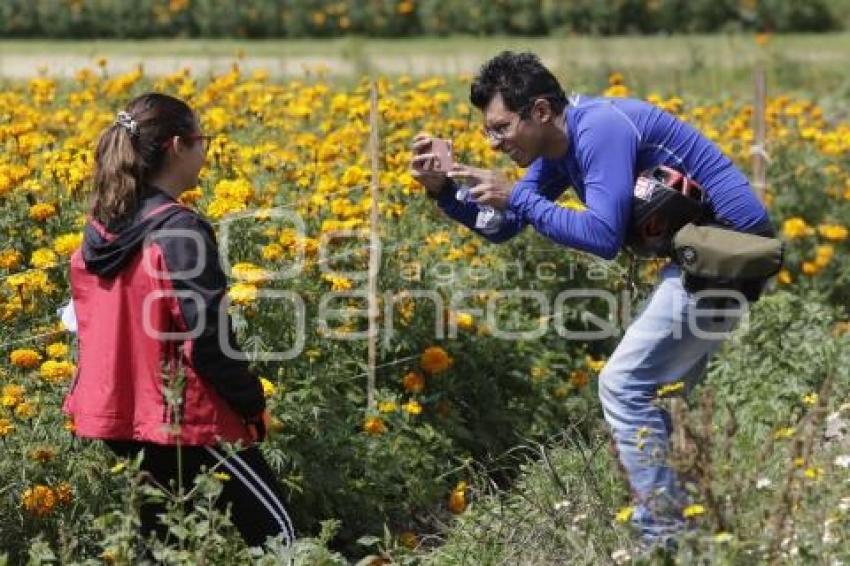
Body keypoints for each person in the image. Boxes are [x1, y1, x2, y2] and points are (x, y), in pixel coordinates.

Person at [410, 51, 774, 548]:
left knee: (624, 386)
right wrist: (444, 191)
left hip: (726, 254)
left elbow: (601, 235)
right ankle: (693, 539)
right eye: (487, 133)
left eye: (500, 128)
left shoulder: (599, 128)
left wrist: (517, 195)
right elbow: (507, 226)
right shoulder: (559, 146)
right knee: (659, 402)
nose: (493, 143)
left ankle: (663, 541)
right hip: (706, 257)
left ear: (540, 111)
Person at [63, 92, 295, 550]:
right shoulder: (178, 231)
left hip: (120, 416)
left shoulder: (104, 226)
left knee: (162, 546)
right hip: (184, 417)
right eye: (201, 140)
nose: (205, 151)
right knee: (280, 538)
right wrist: (250, 405)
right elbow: (208, 338)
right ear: (177, 146)